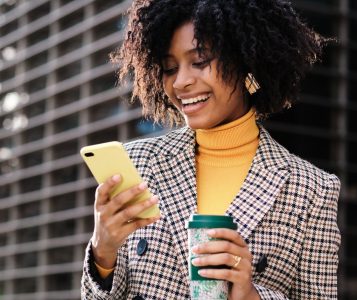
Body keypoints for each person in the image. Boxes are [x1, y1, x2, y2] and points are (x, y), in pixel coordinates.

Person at [81, 0, 341, 299]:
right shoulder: (139, 163)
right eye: (169, 68)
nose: (181, 82)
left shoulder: (313, 189)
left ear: (247, 61)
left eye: (200, 61)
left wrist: (251, 295)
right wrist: (103, 253)